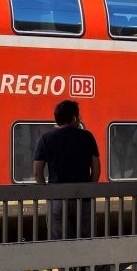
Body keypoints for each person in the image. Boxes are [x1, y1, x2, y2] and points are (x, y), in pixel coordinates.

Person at [33, 99, 100, 239]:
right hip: (83, 196)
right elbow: (96, 167)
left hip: (57, 197)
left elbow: (37, 171)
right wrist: (90, 189)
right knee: (86, 240)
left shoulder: (45, 138)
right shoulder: (87, 137)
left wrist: (47, 193)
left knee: (59, 242)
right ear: (74, 118)